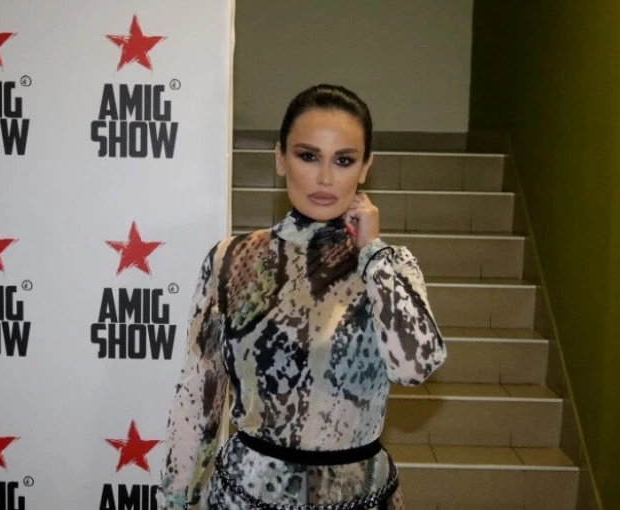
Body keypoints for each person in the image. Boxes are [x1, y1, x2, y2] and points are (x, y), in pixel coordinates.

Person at [159, 84, 446, 510]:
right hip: (245, 497)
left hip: (360, 498)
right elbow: (199, 394)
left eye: (344, 160)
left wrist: (371, 253)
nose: (325, 178)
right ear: (280, 159)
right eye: (308, 156)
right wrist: (174, 498)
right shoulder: (231, 260)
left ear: (365, 167)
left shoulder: (390, 267)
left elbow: (415, 368)